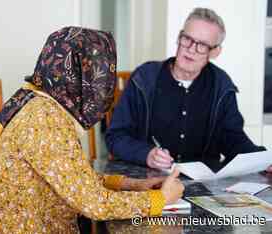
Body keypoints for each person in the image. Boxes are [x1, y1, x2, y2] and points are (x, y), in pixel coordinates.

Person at [0, 27, 184, 233]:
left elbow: (75, 180)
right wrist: (160, 199)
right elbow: (94, 204)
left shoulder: (42, 104)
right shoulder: (45, 120)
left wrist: (133, 185)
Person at [106, 8, 272, 172]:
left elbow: (233, 139)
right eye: (187, 39)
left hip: (203, 186)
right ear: (179, 38)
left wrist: (262, 159)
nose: (191, 49)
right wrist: (147, 154)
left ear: (215, 51)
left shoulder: (221, 85)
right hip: (149, 182)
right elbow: (115, 137)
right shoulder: (144, 78)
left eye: (202, 45)